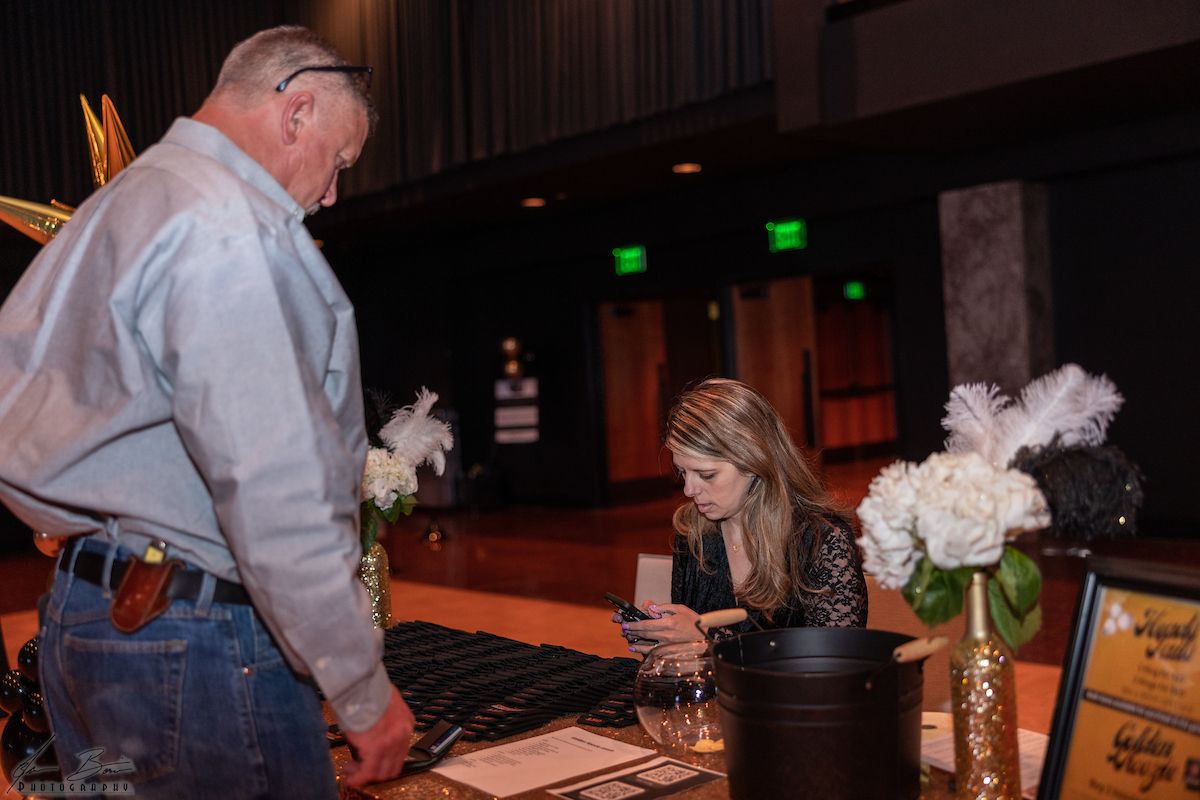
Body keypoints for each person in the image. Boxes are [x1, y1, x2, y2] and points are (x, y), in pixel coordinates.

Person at [0, 26, 413, 797]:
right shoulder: (230, 226)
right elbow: (273, 487)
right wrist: (362, 690)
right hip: (194, 637)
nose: (331, 193)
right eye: (340, 160)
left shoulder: (110, 211)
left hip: (78, 622)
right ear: (297, 111)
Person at [616, 378, 867, 653]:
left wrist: (707, 640)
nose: (689, 489)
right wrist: (663, 637)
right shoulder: (694, 534)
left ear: (753, 461)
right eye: (683, 473)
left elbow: (835, 662)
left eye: (706, 474)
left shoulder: (822, 540)